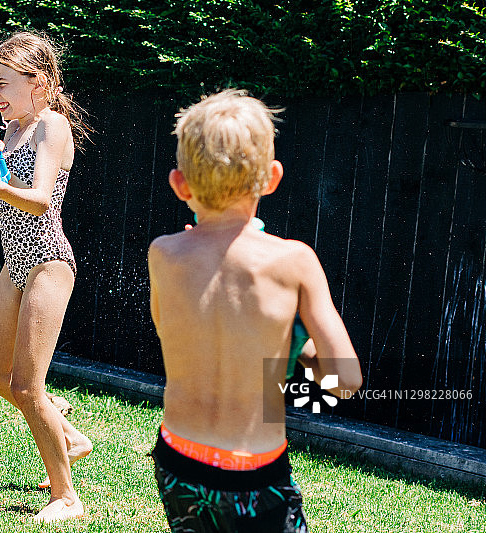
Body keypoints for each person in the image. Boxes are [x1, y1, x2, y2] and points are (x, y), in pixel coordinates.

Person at [147, 89, 362, 533]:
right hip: (256, 470)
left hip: (179, 458)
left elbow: (171, 329)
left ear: (180, 184)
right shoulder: (295, 261)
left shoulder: (164, 254)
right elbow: (346, 381)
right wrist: (294, 350)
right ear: (272, 178)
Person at [0, 31, 92, 523]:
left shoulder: (50, 126)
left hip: (49, 261)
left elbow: (40, 200)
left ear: (37, 83)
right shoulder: (9, 133)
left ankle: (66, 498)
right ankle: (71, 437)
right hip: (15, 264)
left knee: (27, 387)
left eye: (2, 84)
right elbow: (2, 203)